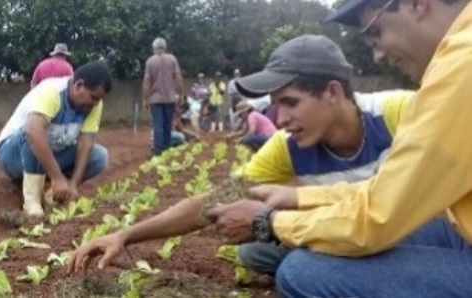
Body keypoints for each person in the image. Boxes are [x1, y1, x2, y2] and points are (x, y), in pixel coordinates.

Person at [66, 34, 415, 278]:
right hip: (353, 230)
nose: (279, 119)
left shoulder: (401, 114)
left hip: (417, 230)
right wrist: (125, 234)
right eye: (275, 106)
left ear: (333, 92)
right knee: (254, 251)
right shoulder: (288, 145)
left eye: (290, 103)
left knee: (301, 274)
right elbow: (215, 202)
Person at [207, 0, 472, 295]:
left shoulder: (461, 66)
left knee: (303, 272)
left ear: (417, 4)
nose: (378, 55)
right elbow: (392, 194)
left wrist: (268, 222)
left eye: (376, 32)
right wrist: (300, 197)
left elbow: (377, 218)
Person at [0, 61, 113, 216]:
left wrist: (73, 184)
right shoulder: (53, 92)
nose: (95, 103)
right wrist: (57, 177)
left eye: (99, 99)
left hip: (46, 154)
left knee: (99, 156)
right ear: (78, 85)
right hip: (12, 155)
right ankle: (32, 202)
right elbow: (33, 131)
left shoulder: (94, 105)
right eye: (93, 97)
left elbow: (86, 143)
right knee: (34, 133)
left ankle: (50, 190)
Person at [142, 37, 186, 156]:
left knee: (158, 126)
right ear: (165, 47)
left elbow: (147, 81)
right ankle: (166, 152)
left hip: (155, 99)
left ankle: (158, 152)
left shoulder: (150, 61)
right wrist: (180, 94)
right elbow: (178, 77)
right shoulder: (172, 59)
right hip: (170, 98)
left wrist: (145, 98)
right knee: (167, 126)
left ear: (154, 48)